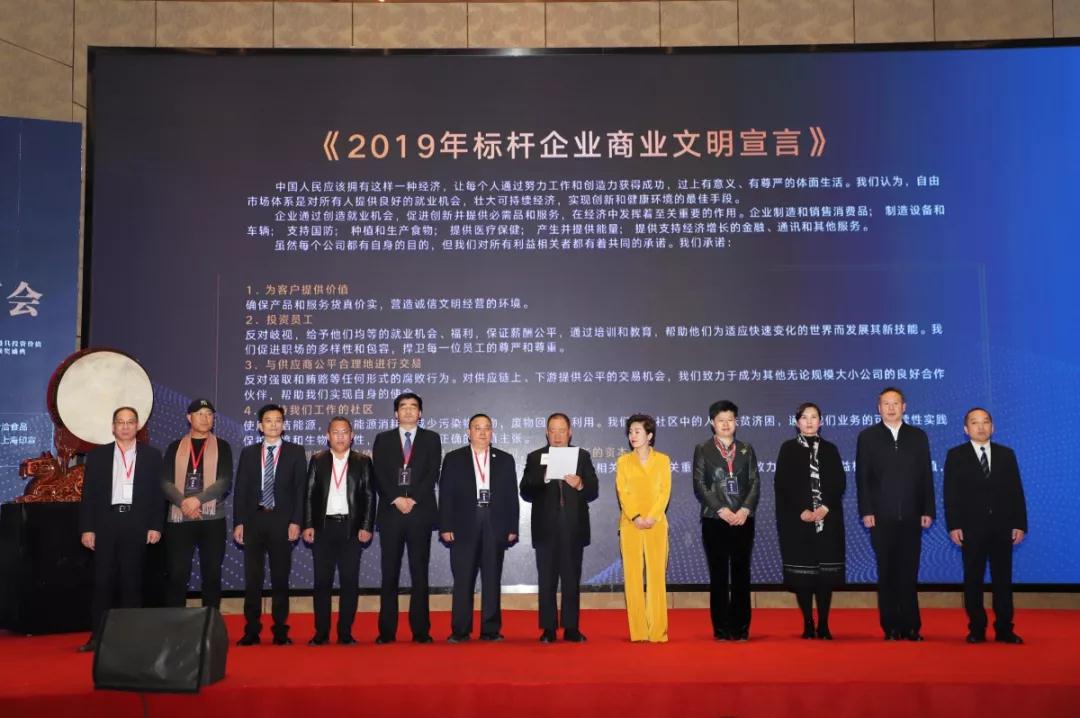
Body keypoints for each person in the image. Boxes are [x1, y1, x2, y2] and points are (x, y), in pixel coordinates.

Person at [78, 406, 164, 652]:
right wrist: (87, 528)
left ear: (138, 426)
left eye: (130, 422)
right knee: (102, 583)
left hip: (137, 523)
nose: (125, 427)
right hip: (106, 522)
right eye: (120, 422)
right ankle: (98, 637)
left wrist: (155, 525)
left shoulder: (152, 456)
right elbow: (89, 495)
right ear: (113, 427)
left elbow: (157, 495)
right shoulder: (97, 456)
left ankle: (131, 638)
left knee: (132, 583)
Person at [856, 387, 934, 641]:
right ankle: (890, 626)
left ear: (904, 407)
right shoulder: (867, 437)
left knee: (909, 572)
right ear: (878, 408)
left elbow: (926, 476)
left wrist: (928, 509)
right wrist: (866, 510)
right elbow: (863, 478)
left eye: (895, 403)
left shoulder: (918, 436)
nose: (891, 408)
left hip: (912, 515)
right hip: (881, 516)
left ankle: (912, 626)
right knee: (887, 572)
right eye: (886, 404)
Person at [944, 407, 1027, 644]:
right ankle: (977, 628)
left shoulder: (1006, 454)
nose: (981, 427)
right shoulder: (956, 455)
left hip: (1002, 527)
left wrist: (1019, 523)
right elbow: (950, 493)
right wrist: (954, 525)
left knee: (1003, 580)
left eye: (985, 422)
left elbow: (1016, 491)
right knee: (973, 580)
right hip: (971, 528)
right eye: (974, 422)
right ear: (966, 429)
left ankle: (1004, 628)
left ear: (993, 427)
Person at [520, 413, 599, 643]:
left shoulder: (581, 456)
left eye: (562, 430)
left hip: (573, 528)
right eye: (552, 431)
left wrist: (580, 484)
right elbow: (525, 491)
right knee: (546, 580)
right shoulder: (536, 457)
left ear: (570, 432)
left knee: (571, 580)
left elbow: (593, 489)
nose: (557, 436)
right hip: (545, 528)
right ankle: (548, 629)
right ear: (547, 433)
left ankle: (571, 628)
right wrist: (543, 478)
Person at [439, 414, 519, 642]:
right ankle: (460, 630)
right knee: (463, 578)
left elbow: (511, 496)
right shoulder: (454, 458)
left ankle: (490, 629)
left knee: (492, 578)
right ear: (468, 432)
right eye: (477, 428)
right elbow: (445, 494)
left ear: (492, 432)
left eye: (487, 428)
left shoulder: (505, 459)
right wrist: (445, 525)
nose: (482, 433)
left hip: (495, 522)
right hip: (464, 522)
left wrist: (512, 526)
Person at [232, 403, 307, 646]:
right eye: (268, 420)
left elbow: (300, 490)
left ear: (283, 425)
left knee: (280, 578)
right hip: (254, 521)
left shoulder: (295, 452)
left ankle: (280, 630)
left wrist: (296, 521)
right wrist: (239, 522)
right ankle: (251, 630)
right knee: (253, 579)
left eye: (278, 420)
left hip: (282, 522)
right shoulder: (249, 453)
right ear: (259, 426)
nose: (273, 425)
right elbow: (241, 490)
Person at [371, 392, 441, 644]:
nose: (409, 411)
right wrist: (396, 498)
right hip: (391, 513)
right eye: (403, 407)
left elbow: (432, 473)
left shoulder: (431, 439)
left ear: (420, 413)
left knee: (419, 573)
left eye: (413, 407)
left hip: (420, 512)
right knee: (389, 573)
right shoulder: (383, 439)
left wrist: (413, 499)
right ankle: (386, 631)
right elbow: (378, 473)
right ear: (396, 413)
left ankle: (421, 631)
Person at [774, 402, 846, 640]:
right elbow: (782, 485)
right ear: (797, 423)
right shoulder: (788, 449)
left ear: (821, 422)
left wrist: (824, 507)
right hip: (798, 522)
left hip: (827, 520)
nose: (809, 421)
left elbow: (839, 482)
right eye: (804, 417)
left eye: (814, 417)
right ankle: (807, 622)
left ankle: (824, 623)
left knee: (824, 577)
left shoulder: (830, 449)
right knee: (803, 577)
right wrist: (800, 510)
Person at [303, 416, 375, 645]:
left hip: (350, 529)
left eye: (345, 432)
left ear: (352, 436)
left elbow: (370, 496)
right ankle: (321, 633)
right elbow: (308, 495)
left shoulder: (363, 461)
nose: (340, 436)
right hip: (323, 528)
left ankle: (345, 633)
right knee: (322, 582)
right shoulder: (318, 460)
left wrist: (366, 526)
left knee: (349, 582)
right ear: (328, 436)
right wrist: (308, 524)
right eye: (336, 432)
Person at [692, 399, 761, 641]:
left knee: (741, 573)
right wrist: (721, 509)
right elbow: (699, 484)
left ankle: (741, 628)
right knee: (719, 574)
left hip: (743, 519)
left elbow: (755, 482)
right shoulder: (703, 449)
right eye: (720, 420)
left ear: (736, 422)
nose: (725, 424)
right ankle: (721, 628)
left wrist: (744, 510)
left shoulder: (746, 449)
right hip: (714, 519)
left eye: (730, 420)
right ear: (712, 423)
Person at [160, 398, 233, 610]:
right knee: (177, 574)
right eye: (200, 414)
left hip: (212, 519)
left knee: (212, 574)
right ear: (189, 417)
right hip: (179, 517)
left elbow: (224, 481)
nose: (205, 418)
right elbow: (165, 482)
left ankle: (210, 621)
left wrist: (197, 501)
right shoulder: (175, 447)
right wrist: (184, 502)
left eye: (209, 414)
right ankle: (176, 622)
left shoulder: (222, 446)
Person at [615, 414, 670, 643]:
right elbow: (623, 492)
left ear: (649, 435)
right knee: (633, 577)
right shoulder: (623, 462)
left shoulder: (663, 460)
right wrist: (636, 517)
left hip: (656, 524)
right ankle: (638, 631)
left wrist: (652, 517)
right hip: (630, 524)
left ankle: (658, 631)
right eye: (630, 432)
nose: (633, 436)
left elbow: (664, 492)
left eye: (638, 431)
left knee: (656, 576)